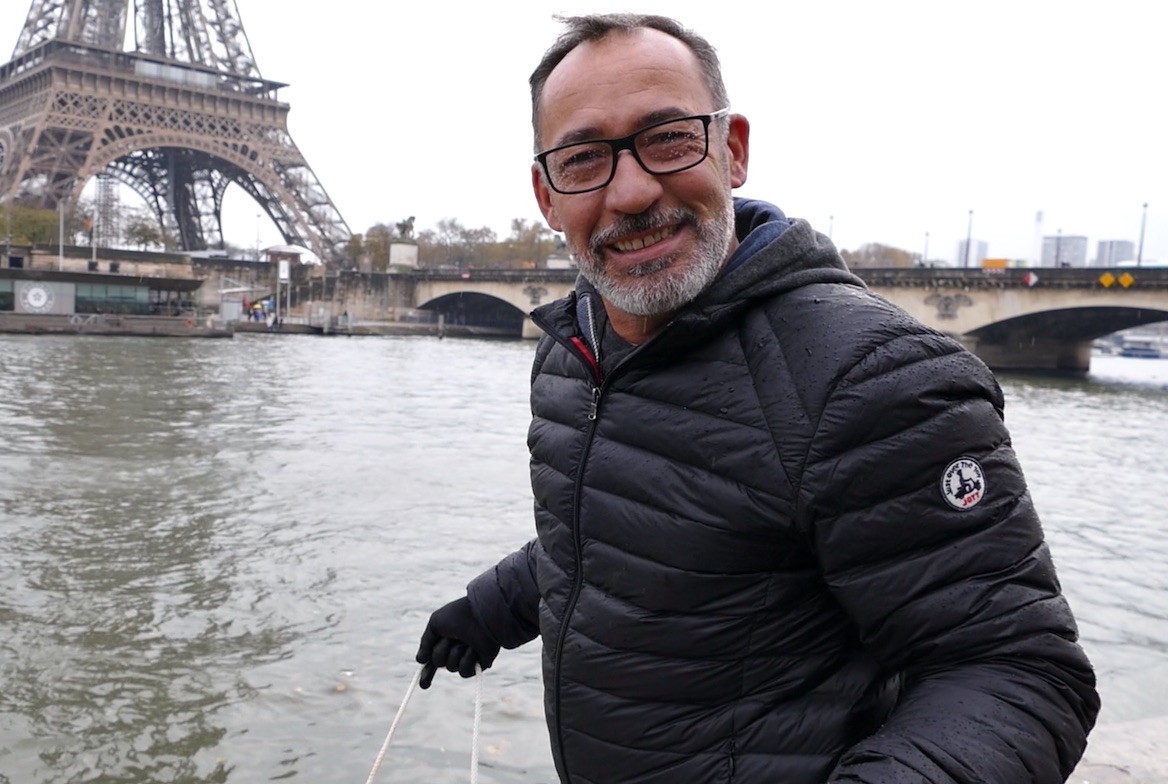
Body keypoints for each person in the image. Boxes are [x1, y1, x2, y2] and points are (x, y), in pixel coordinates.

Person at [416, 13, 1099, 783]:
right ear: (546, 195)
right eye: (583, 159)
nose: (633, 191)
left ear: (731, 150)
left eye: (668, 137)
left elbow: (1019, 675)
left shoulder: (875, 376)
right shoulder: (575, 347)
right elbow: (629, 529)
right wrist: (492, 608)